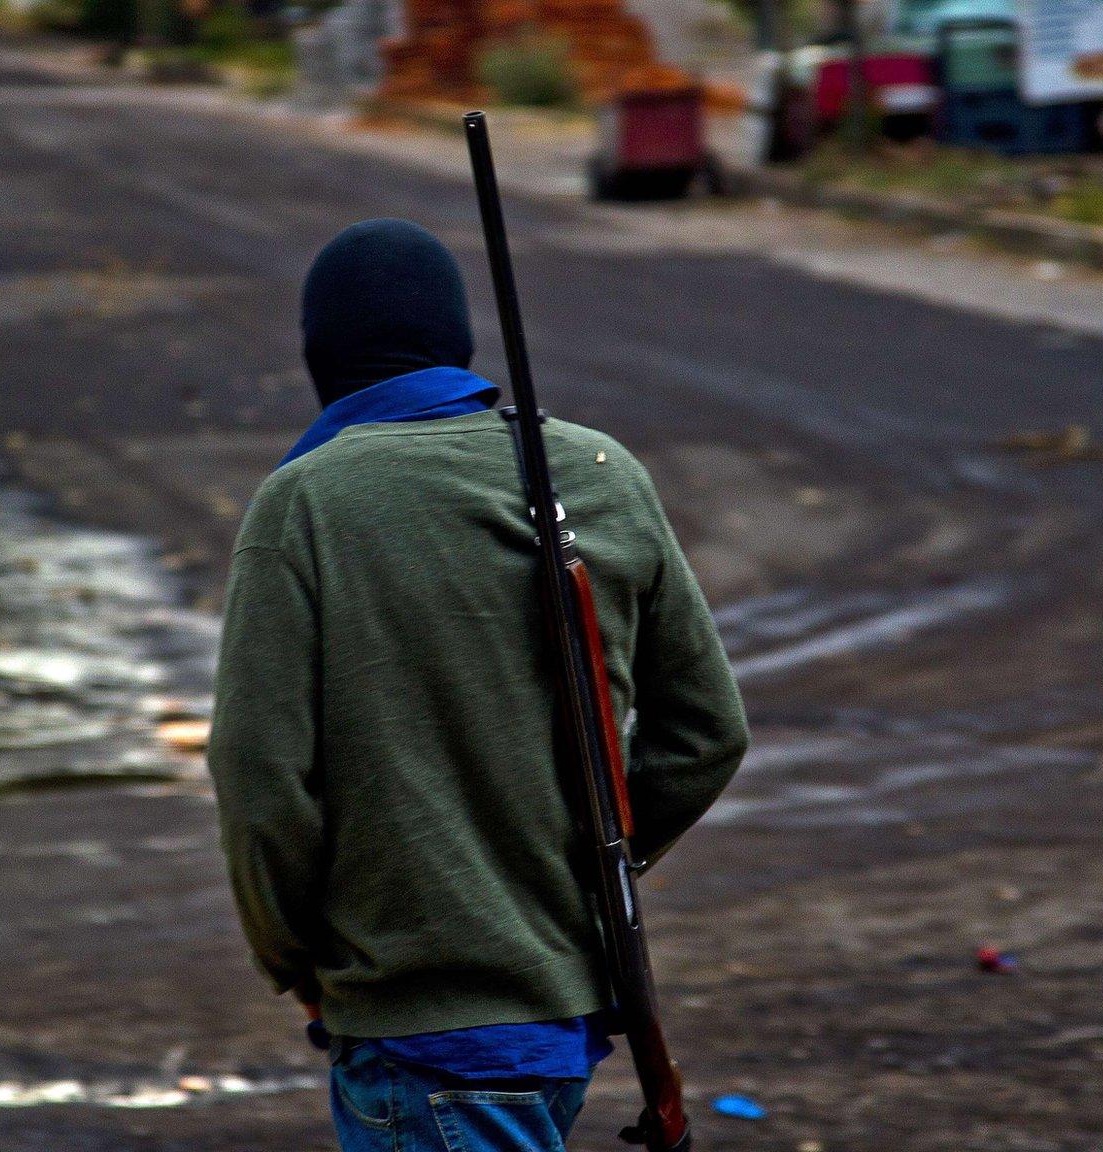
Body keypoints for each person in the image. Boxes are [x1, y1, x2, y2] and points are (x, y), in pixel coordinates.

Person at [207, 218, 748, 1152]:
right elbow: (707, 734)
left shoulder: (305, 504)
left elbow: (259, 777)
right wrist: (595, 863)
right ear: (456, 343)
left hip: (419, 1036)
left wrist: (294, 954)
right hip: (564, 1015)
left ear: (319, 358)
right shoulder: (600, 472)